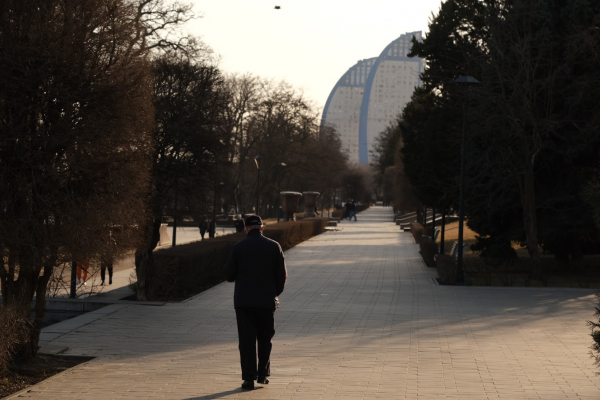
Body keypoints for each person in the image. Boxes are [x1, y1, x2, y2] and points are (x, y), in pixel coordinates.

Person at [223, 215, 287, 390]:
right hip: (266, 301)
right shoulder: (274, 246)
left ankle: (248, 379)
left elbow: (228, 274)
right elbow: (281, 277)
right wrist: (274, 293)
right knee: (265, 338)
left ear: (246, 229)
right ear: (262, 228)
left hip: (244, 303)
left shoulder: (238, 247)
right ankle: (263, 374)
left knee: (246, 340)